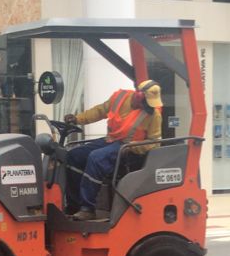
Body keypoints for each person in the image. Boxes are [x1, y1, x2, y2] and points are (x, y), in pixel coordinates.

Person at [64, 79, 162, 218]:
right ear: (139, 94)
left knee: (96, 158)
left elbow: (154, 142)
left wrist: (132, 148)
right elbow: (100, 111)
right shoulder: (120, 97)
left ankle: (87, 209)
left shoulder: (154, 115)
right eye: (147, 101)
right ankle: (74, 205)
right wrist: (77, 119)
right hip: (110, 140)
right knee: (74, 155)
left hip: (129, 149)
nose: (149, 105)